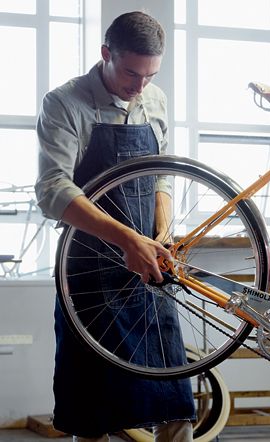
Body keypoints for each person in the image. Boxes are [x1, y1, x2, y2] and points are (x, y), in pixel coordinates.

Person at [35, 11, 195, 441]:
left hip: (146, 272)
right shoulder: (65, 103)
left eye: (150, 75)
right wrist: (127, 238)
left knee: (175, 400)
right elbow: (53, 190)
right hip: (88, 273)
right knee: (90, 411)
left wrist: (161, 234)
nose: (140, 86)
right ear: (106, 54)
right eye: (131, 73)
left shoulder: (154, 99)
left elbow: (161, 173)